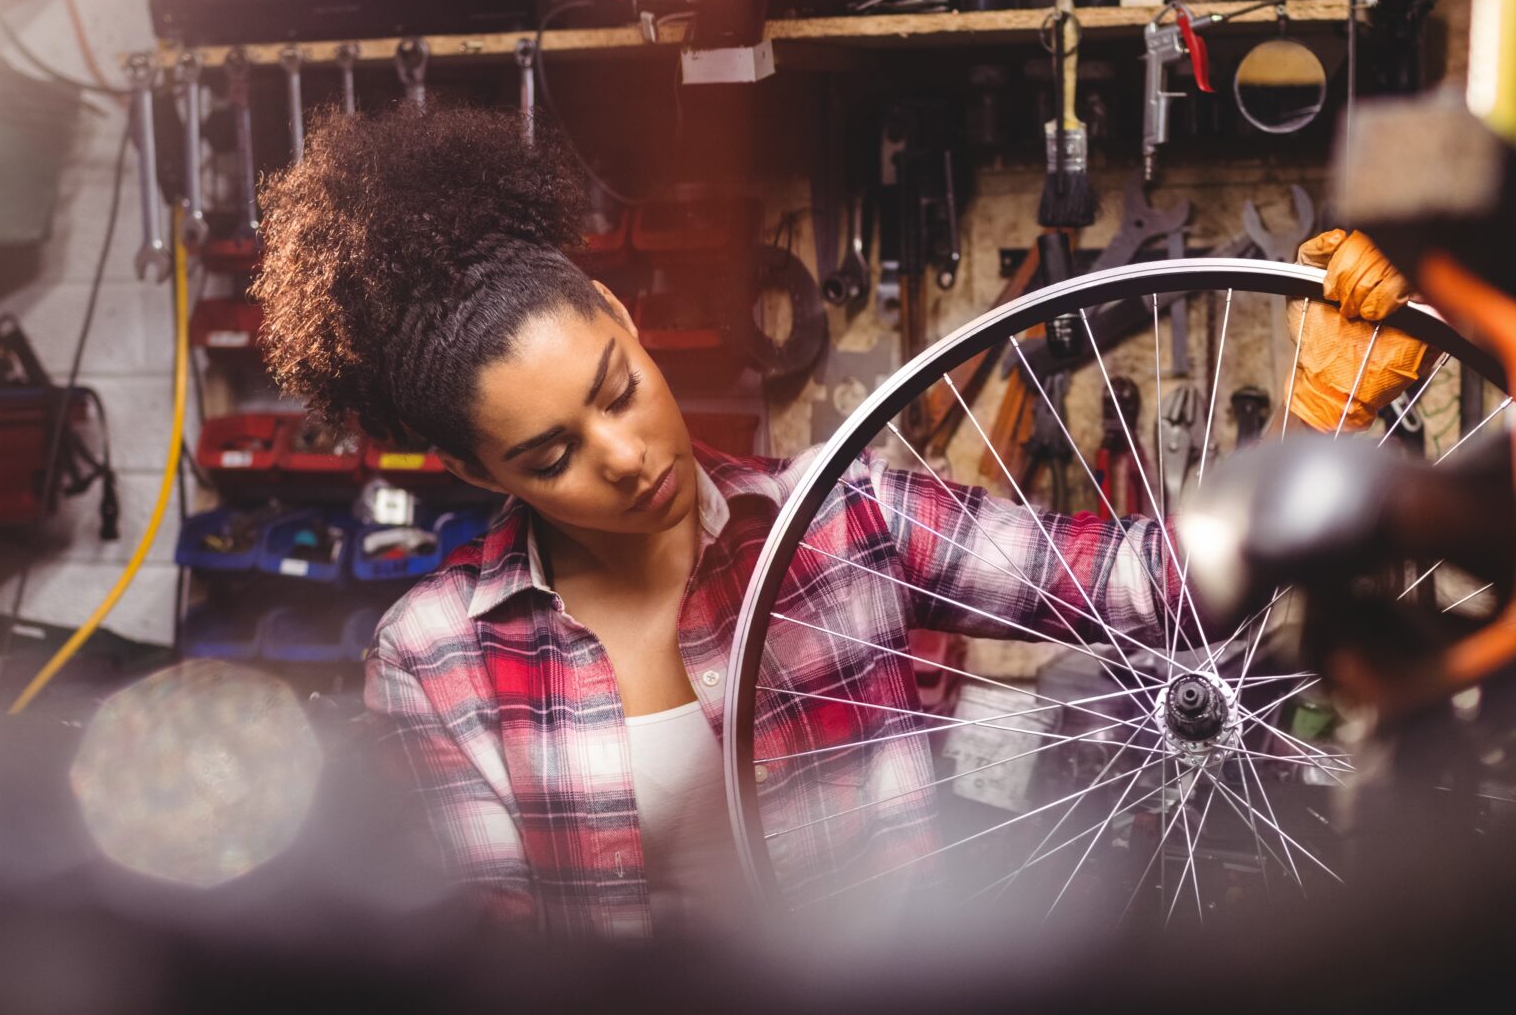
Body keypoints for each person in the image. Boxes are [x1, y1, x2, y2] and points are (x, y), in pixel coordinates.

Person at [255, 105, 1185, 938]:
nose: (622, 457)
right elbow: (504, 975)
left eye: (618, 392)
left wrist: (1326, 414)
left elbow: (1151, 585)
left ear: (620, 314)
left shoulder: (842, 515)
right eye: (550, 458)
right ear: (468, 469)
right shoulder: (432, 658)